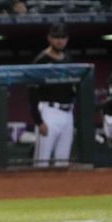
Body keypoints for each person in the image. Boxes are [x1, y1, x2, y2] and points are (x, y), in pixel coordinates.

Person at [29, 23, 76, 167]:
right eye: (56, 37)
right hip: (48, 112)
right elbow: (32, 92)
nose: (60, 41)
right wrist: (39, 121)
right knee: (41, 162)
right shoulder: (41, 60)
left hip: (67, 113)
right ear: (49, 38)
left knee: (62, 162)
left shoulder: (68, 58)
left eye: (63, 37)